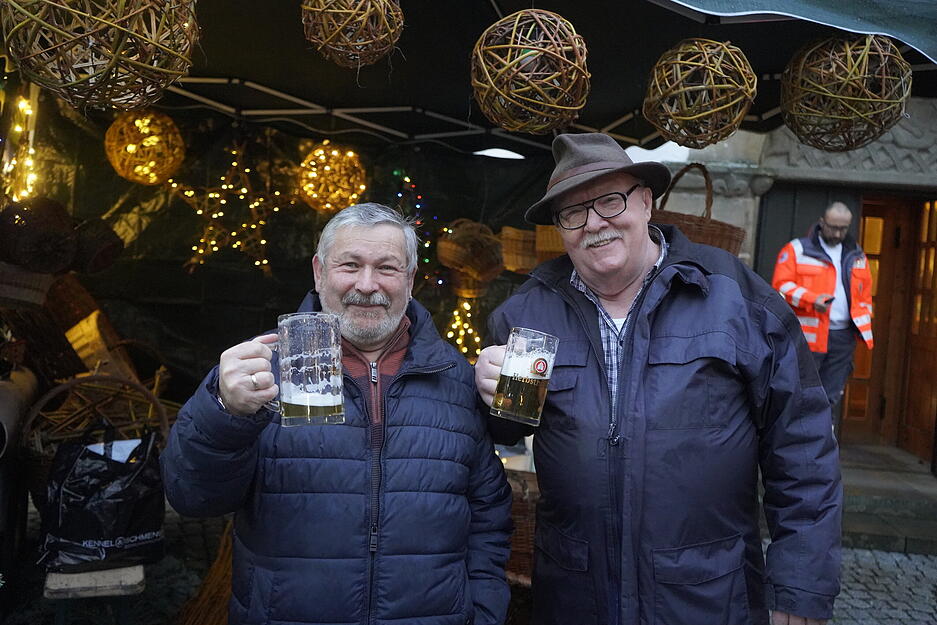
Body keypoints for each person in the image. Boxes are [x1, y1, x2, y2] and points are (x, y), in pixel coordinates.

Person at [474, 133, 842, 625]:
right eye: (572, 212)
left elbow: (802, 446)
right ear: (559, 228)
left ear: (647, 202)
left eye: (610, 201)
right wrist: (487, 392)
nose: (594, 224)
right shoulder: (529, 314)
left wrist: (799, 588)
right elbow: (508, 430)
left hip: (706, 597)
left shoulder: (733, 298)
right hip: (575, 598)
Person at [162, 203, 513, 625]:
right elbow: (192, 497)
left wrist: (483, 613)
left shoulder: (455, 377)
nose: (367, 285)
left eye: (387, 268)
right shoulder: (257, 373)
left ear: (411, 280)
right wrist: (224, 411)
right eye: (350, 265)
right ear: (318, 271)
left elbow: (489, 516)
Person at [772, 202, 874, 434]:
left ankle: (822, 441)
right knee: (800, 391)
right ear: (821, 222)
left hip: (842, 337)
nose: (837, 233)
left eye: (843, 229)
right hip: (808, 337)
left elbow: (864, 294)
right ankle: (793, 439)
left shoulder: (857, 255)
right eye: (833, 228)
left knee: (831, 395)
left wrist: (863, 321)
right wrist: (811, 299)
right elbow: (780, 286)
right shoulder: (797, 249)